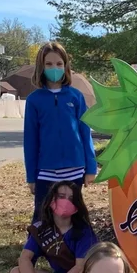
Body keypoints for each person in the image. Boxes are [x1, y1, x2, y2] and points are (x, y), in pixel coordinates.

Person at [23, 41, 97, 221]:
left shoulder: (76, 96)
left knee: (72, 214)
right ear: (41, 67)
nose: (54, 68)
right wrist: (31, 176)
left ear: (65, 67)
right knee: (43, 215)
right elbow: (30, 140)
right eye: (49, 64)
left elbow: (85, 133)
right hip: (46, 170)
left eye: (59, 64)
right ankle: (39, 248)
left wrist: (91, 167)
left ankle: (73, 247)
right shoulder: (34, 100)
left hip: (75, 168)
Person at [8, 181, 97, 273]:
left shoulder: (83, 231)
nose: (66, 202)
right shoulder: (42, 229)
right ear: (51, 200)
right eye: (61, 196)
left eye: (71, 199)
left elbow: (80, 267)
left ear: (77, 205)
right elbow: (24, 259)